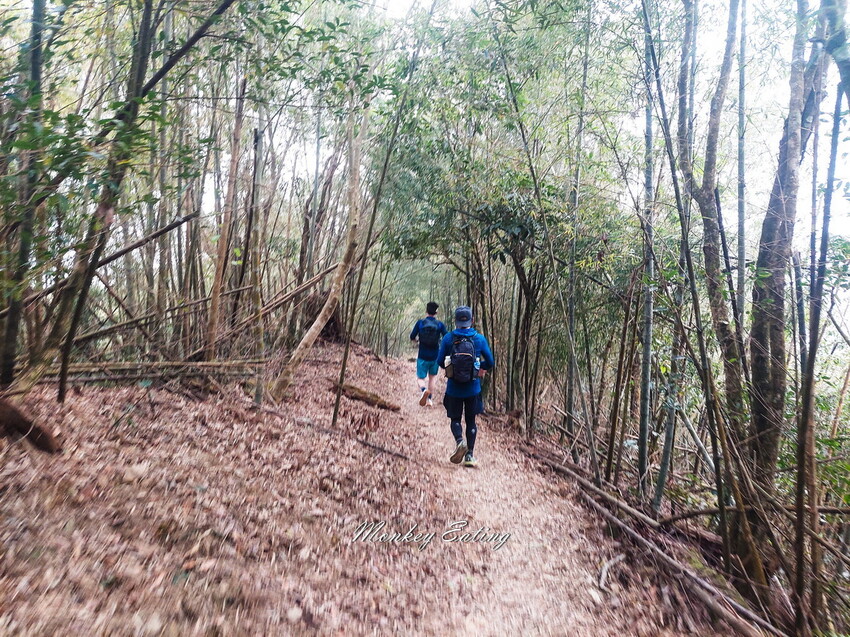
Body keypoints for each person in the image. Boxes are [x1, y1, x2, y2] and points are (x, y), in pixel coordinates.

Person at [437, 306, 494, 467]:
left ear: (455, 321)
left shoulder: (448, 338)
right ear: (472, 320)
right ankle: (469, 456)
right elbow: (490, 362)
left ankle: (460, 441)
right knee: (471, 421)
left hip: (454, 388)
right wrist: (477, 368)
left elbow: (440, 361)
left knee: (455, 418)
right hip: (473, 388)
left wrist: (452, 368)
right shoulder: (479, 339)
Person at [409, 301, 447, 407]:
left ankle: (424, 390)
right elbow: (447, 337)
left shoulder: (420, 323)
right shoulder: (439, 324)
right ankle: (429, 400)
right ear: (436, 312)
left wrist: (417, 341)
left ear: (426, 311)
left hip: (422, 355)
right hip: (435, 355)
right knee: (432, 378)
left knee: (420, 378)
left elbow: (412, 336)